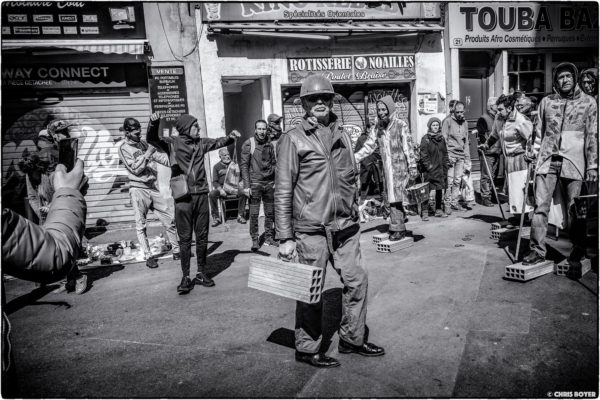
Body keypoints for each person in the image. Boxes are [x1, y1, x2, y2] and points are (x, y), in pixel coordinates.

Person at [276, 75, 384, 368]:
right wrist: (285, 237)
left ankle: (352, 338)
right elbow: (283, 189)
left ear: (332, 101)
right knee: (311, 291)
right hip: (311, 230)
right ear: (304, 104)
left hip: (345, 226)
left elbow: (350, 174)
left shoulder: (343, 133)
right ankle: (307, 348)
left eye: (325, 97)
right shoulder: (292, 138)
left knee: (357, 281)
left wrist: (355, 206)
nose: (320, 102)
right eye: (314, 98)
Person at [2, 159, 87, 397]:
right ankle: (71, 279)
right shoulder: (34, 179)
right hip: (52, 214)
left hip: (52, 210)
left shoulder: (50, 176)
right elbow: (56, 254)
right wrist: (68, 195)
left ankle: (75, 278)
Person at [147, 113, 240, 294]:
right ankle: (185, 277)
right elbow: (151, 138)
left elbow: (218, 142)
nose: (199, 129)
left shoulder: (201, 143)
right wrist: (154, 122)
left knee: (203, 237)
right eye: (195, 126)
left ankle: (201, 272)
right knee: (185, 240)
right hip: (183, 198)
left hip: (201, 196)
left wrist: (230, 137)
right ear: (185, 128)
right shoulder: (172, 143)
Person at [522, 62, 598, 270]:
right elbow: (539, 131)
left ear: (574, 78)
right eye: (560, 77)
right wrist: (533, 153)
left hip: (574, 160)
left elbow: (592, 135)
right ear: (555, 80)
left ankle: (579, 248)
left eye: (568, 76)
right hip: (548, 160)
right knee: (540, 207)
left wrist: (592, 165)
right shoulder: (547, 101)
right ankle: (537, 250)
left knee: (575, 209)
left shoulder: (589, 102)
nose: (564, 80)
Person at [18, 120, 88, 294]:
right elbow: (32, 196)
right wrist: (43, 211)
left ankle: (78, 277)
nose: (44, 150)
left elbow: (81, 184)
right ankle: (70, 279)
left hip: (64, 208)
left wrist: (55, 206)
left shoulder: (65, 160)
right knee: (54, 247)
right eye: (41, 147)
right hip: (47, 213)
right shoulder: (33, 166)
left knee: (68, 244)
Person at [117, 114, 180, 268]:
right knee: (141, 225)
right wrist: (147, 154)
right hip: (138, 188)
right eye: (136, 133)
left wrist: (176, 159)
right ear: (127, 132)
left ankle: (177, 250)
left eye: (140, 132)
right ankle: (148, 255)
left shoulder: (144, 144)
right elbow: (136, 169)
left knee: (169, 219)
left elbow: (160, 158)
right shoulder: (123, 148)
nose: (139, 135)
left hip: (153, 186)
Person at [354, 96, 418, 240]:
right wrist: (354, 158)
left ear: (390, 109)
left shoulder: (401, 125)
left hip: (400, 169)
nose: (381, 112)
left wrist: (412, 165)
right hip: (387, 170)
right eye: (379, 110)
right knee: (392, 198)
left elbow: (408, 146)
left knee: (396, 199)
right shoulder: (378, 128)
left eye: (384, 109)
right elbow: (369, 146)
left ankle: (398, 229)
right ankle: (397, 227)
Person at [479, 95, 534, 216]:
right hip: (508, 158)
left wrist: (531, 155)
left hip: (520, 159)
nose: (497, 111)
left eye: (500, 109)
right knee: (512, 190)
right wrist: (486, 145)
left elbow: (531, 140)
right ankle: (516, 216)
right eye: (497, 109)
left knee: (520, 190)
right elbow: (494, 135)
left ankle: (524, 218)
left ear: (509, 108)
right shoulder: (499, 118)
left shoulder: (521, 120)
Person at [240, 119, 277, 251]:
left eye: (264, 129)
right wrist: (246, 185)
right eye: (259, 129)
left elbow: (274, 162)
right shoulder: (248, 143)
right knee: (254, 214)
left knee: (270, 213)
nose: (262, 131)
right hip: (255, 183)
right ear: (255, 130)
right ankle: (255, 240)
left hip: (269, 183)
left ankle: (268, 237)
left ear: (267, 129)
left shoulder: (270, 144)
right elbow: (244, 165)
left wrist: (274, 180)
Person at [442, 101, 471, 213]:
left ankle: (454, 202)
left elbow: (466, 141)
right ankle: (447, 204)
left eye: (461, 112)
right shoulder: (448, 121)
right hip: (450, 154)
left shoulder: (465, 123)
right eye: (457, 112)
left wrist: (467, 157)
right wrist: (446, 155)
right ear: (453, 111)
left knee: (457, 181)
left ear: (464, 111)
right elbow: (444, 139)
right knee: (449, 181)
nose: (459, 114)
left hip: (461, 156)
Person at [209, 147, 247, 226]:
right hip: (223, 189)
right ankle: (216, 217)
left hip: (234, 188)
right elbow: (215, 182)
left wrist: (241, 184)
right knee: (212, 194)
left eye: (228, 154)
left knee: (243, 192)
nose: (227, 156)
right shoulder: (216, 167)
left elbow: (241, 178)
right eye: (224, 155)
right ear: (220, 157)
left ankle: (240, 215)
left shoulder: (234, 165)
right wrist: (220, 190)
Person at [420, 117, 449, 218]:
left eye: (437, 125)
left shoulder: (441, 138)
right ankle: (424, 212)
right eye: (433, 125)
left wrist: (446, 164)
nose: (435, 127)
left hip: (440, 168)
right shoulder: (425, 139)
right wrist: (429, 167)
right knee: (426, 190)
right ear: (429, 126)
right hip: (430, 170)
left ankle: (438, 210)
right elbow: (423, 155)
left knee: (439, 189)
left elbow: (445, 153)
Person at [476, 97, 500, 207]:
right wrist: (486, 146)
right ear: (491, 106)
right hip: (488, 152)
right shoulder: (483, 119)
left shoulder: (498, 118)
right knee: (486, 176)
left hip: (497, 151)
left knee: (494, 175)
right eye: (496, 105)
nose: (498, 107)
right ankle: (485, 197)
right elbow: (481, 135)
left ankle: (493, 194)